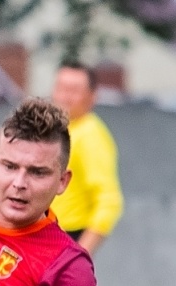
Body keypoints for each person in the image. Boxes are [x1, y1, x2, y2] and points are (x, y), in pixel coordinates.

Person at [50, 62, 124, 256]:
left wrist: (78, 254)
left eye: (74, 90)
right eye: (61, 88)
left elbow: (109, 201)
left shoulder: (91, 135)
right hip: (45, 234)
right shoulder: (59, 131)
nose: (65, 96)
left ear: (92, 96)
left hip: (68, 235)